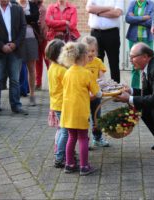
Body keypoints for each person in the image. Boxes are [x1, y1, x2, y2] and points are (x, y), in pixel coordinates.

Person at [58, 42, 102, 176]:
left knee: (71, 137)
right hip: (80, 111)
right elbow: (97, 93)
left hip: (68, 111)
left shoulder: (67, 72)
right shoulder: (86, 73)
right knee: (83, 138)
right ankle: (84, 166)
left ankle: (69, 164)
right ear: (83, 56)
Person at [0, 0, 28, 117]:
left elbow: (23, 28)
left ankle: (16, 105)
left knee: (15, 80)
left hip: (15, 50)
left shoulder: (17, 9)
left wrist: (15, 44)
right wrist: (1, 46)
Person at [81, 36, 110, 148]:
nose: (90, 53)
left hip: (95, 95)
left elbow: (102, 77)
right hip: (83, 96)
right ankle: (84, 140)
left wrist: (101, 83)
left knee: (96, 117)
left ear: (97, 51)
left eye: (93, 50)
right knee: (84, 118)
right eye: (87, 51)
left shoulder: (98, 62)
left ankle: (97, 138)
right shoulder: (81, 63)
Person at [86, 0, 124, 83]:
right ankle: (96, 88)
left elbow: (117, 13)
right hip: (95, 33)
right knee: (95, 62)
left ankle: (116, 89)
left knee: (114, 62)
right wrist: (108, 8)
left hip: (112, 33)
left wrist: (98, 12)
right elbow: (89, 9)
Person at [45, 39, 68, 168]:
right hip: (63, 104)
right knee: (65, 131)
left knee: (61, 130)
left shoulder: (52, 67)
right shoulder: (62, 70)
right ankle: (59, 157)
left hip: (55, 103)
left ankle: (62, 153)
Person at [125, 0, 154, 89]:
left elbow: (151, 22)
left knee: (148, 65)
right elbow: (128, 19)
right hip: (133, 38)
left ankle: (148, 91)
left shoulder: (152, 4)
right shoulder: (132, 3)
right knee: (135, 65)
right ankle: (134, 91)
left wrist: (135, 19)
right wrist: (144, 18)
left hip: (147, 39)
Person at [17, 0, 39, 106]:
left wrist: (22, 17)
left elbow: (35, 17)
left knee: (31, 68)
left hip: (31, 39)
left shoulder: (33, 5)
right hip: (17, 40)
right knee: (17, 68)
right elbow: (14, 21)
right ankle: (16, 96)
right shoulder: (13, 4)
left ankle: (32, 96)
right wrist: (28, 19)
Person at [34, 0, 49, 90]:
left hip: (43, 37)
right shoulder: (32, 7)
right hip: (36, 36)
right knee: (37, 60)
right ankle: (38, 82)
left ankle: (50, 80)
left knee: (46, 59)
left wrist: (42, 36)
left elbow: (42, 24)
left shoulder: (42, 8)